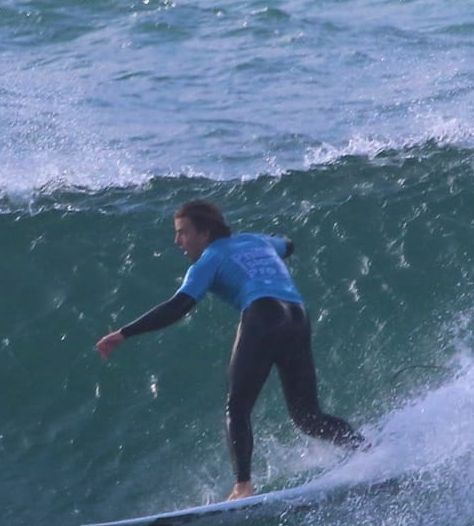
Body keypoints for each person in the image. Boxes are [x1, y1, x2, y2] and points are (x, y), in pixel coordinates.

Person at [96, 200, 364, 500]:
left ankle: (243, 486)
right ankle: (367, 451)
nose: (177, 241)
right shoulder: (256, 241)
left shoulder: (208, 260)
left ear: (205, 233)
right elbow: (288, 245)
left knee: (237, 408)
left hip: (263, 316)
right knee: (308, 416)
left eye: (183, 232)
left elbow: (177, 307)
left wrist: (124, 333)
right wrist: (275, 241)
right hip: (297, 317)